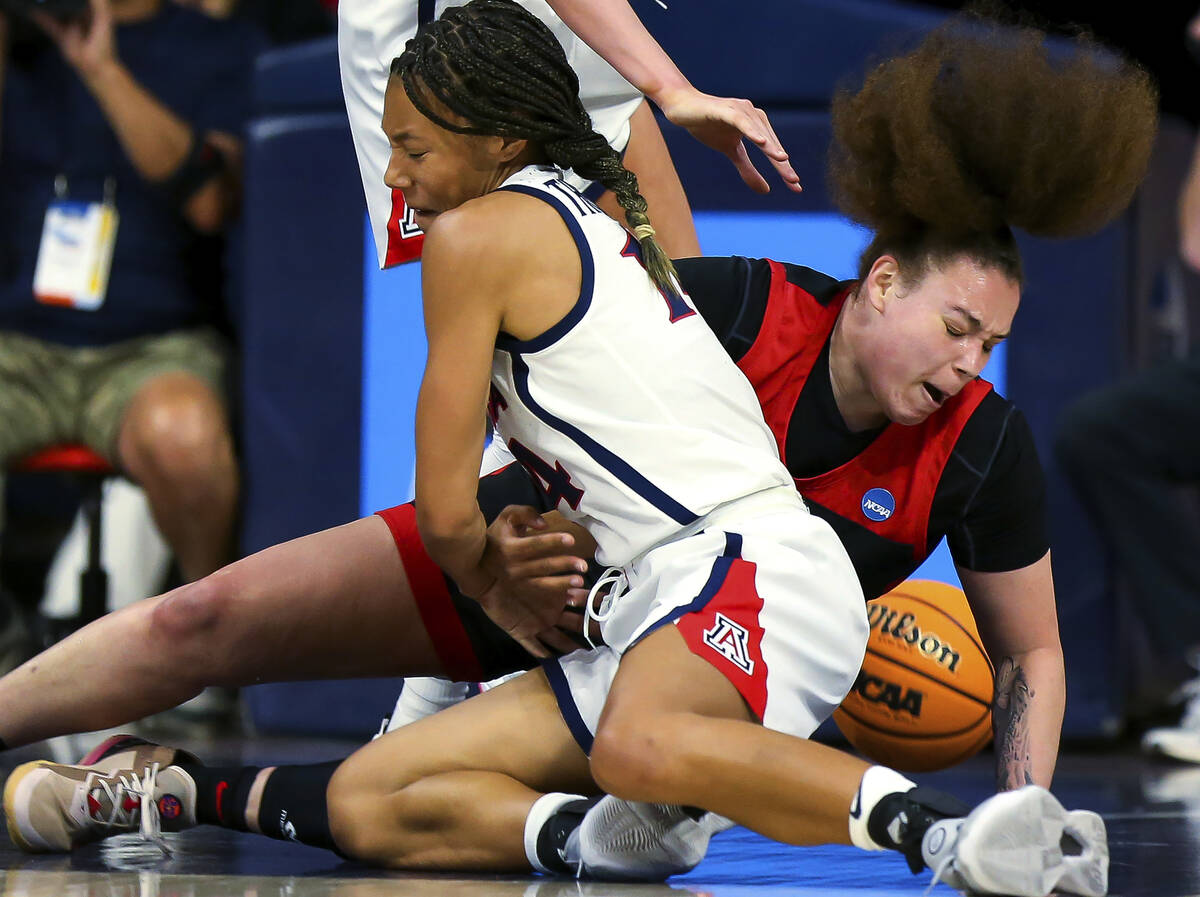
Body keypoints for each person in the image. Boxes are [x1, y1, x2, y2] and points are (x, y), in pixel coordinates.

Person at [4, 7, 1155, 896]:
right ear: (880, 280)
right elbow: (574, 318)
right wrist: (501, 551)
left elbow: (1031, 659)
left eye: (994, 345)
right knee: (223, 648)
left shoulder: (979, 449)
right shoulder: (734, 303)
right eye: (960, 332)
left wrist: (1031, 805)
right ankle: (559, 825)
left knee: (554, 766)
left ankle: (935, 833)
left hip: (682, 618)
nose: (972, 366)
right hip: (544, 556)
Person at [0, 0, 259, 597]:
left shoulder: (220, 47)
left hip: (150, 348)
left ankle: (212, 643)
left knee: (185, 438)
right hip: (20, 343)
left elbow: (210, 202)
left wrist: (100, 69)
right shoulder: (19, 44)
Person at [338, 0, 801, 267]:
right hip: (468, 99)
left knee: (692, 336)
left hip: (592, 75)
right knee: (514, 382)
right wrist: (671, 89)